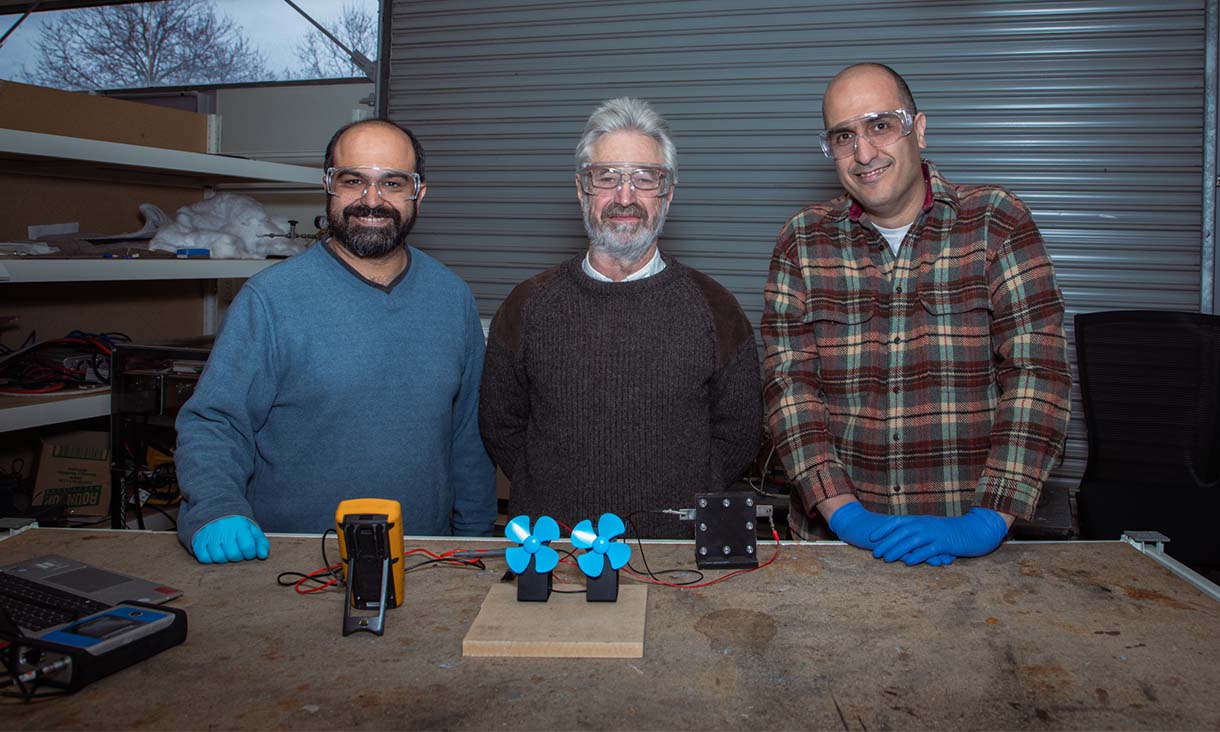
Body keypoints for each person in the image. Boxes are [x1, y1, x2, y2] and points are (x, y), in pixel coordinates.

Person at [762, 64, 1071, 566]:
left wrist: (989, 519)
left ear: (919, 129)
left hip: (969, 544)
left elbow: (1038, 374)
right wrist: (843, 513)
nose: (863, 153)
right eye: (844, 136)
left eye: (880, 125)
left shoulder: (998, 223)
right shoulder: (801, 241)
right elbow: (789, 386)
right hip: (833, 550)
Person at [175, 118, 497, 563]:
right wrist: (215, 508)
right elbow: (214, 422)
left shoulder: (451, 297)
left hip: (424, 559)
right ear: (328, 186)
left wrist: (473, 539)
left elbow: (468, 436)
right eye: (353, 181)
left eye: (392, 183)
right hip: (294, 565)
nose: (371, 200)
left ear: (418, 193)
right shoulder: (270, 300)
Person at [479, 97, 762, 538]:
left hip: (675, 556)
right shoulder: (526, 307)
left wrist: (681, 496)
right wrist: (552, 492)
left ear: (668, 192)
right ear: (581, 189)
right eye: (606, 177)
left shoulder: (717, 310)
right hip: (554, 552)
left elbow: (740, 433)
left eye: (645, 178)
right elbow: (501, 425)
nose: (625, 197)